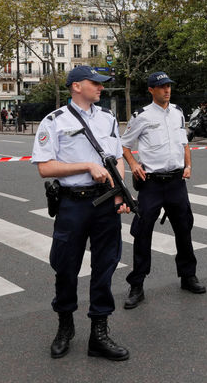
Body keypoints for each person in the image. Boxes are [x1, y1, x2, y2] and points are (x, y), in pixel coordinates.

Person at [31, 65, 131, 361]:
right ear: (76, 86)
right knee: (66, 266)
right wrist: (86, 166)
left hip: (105, 202)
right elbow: (45, 167)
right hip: (73, 203)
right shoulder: (54, 121)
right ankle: (65, 325)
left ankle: (99, 332)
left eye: (102, 84)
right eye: (95, 83)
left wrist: (120, 193)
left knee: (106, 265)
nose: (101, 88)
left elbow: (116, 157)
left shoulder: (108, 118)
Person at [121, 71, 205, 310]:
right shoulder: (142, 116)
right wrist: (134, 165)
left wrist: (188, 165)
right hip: (153, 184)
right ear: (151, 90)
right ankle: (136, 284)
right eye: (161, 87)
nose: (166, 90)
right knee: (142, 232)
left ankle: (188, 276)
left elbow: (184, 142)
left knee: (184, 228)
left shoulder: (178, 112)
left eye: (168, 86)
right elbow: (124, 145)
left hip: (177, 182)